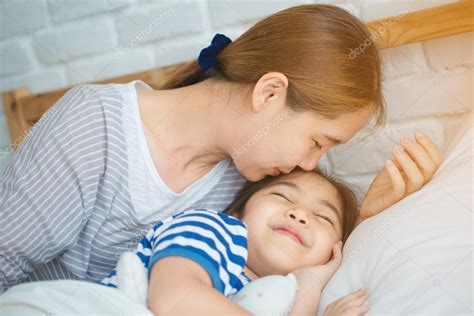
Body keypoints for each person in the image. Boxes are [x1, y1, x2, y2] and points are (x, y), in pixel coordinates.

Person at [0, 4, 439, 293]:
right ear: (269, 93)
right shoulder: (93, 123)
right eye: (317, 141)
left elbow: (280, 278)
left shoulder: (252, 185)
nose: (309, 164)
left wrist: (364, 222)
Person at [100, 127, 442, 316]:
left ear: (331, 254)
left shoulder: (283, 295)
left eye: (323, 217)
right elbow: (174, 301)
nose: (299, 214)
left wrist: (309, 284)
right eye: (282, 197)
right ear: (239, 213)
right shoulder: (210, 229)